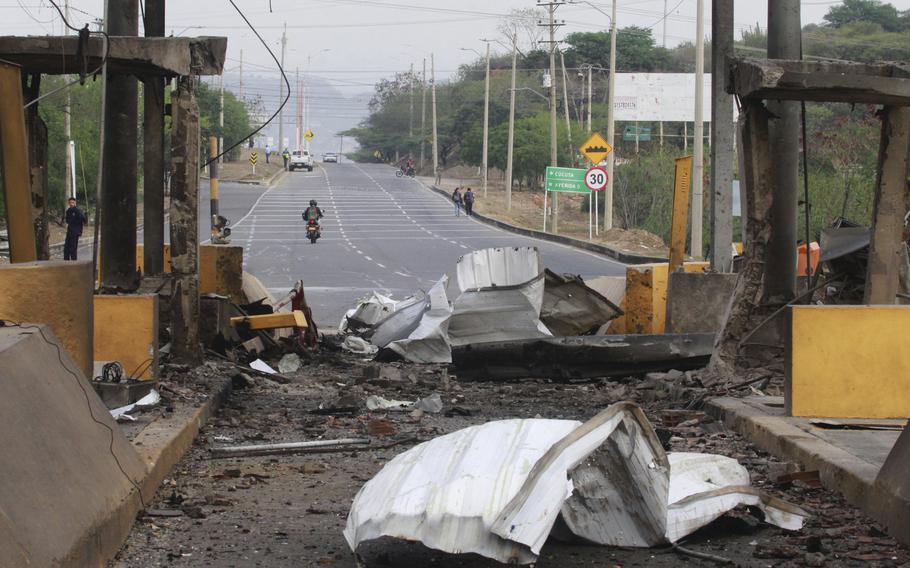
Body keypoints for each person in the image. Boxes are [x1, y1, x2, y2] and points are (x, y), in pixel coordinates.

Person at [62, 197, 87, 261]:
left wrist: (85, 216)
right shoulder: (68, 211)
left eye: (72, 202)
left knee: (73, 249)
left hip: (76, 232)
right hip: (69, 231)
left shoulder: (78, 210)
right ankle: (66, 262)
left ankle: (74, 262)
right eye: (70, 203)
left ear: (75, 203)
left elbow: (84, 219)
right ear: (68, 203)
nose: (71, 204)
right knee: (66, 248)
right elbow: (67, 221)